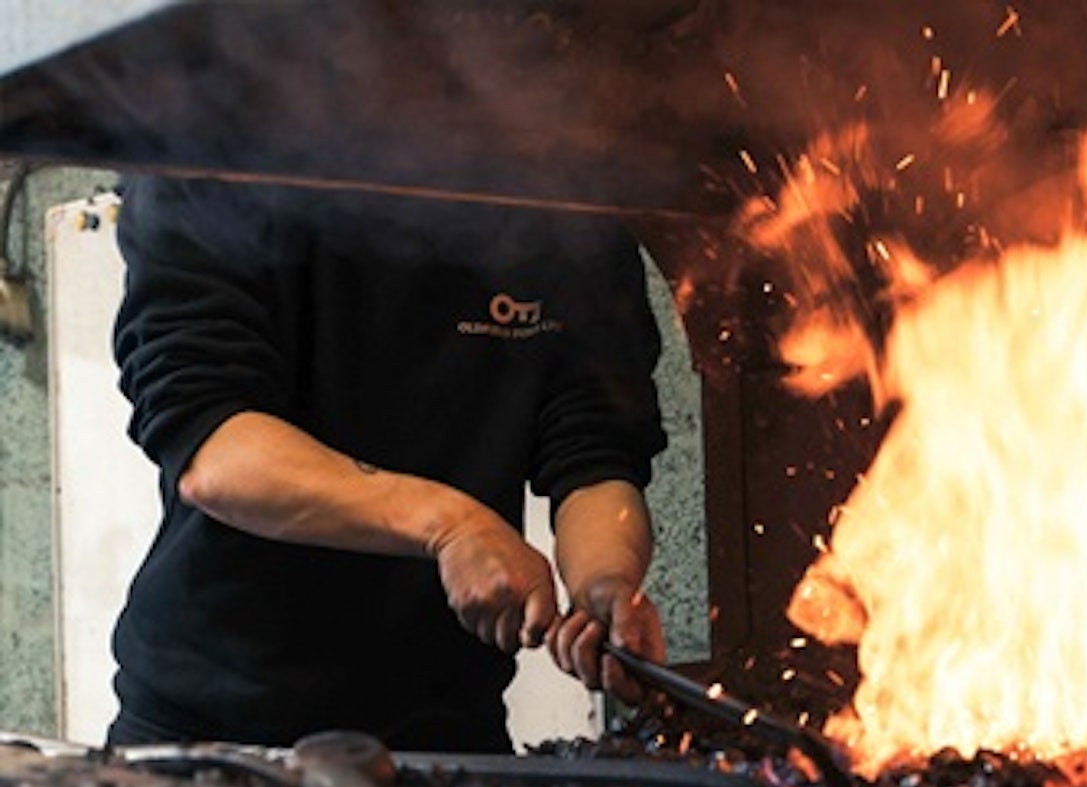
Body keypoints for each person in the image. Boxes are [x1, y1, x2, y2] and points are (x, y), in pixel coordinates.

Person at [105, 174, 669, 752]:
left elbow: (597, 453)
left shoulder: (560, 186)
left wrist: (607, 578)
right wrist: (450, 526)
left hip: (446, 730)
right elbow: (214, 446)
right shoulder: (220, 161)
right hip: (216, 727)